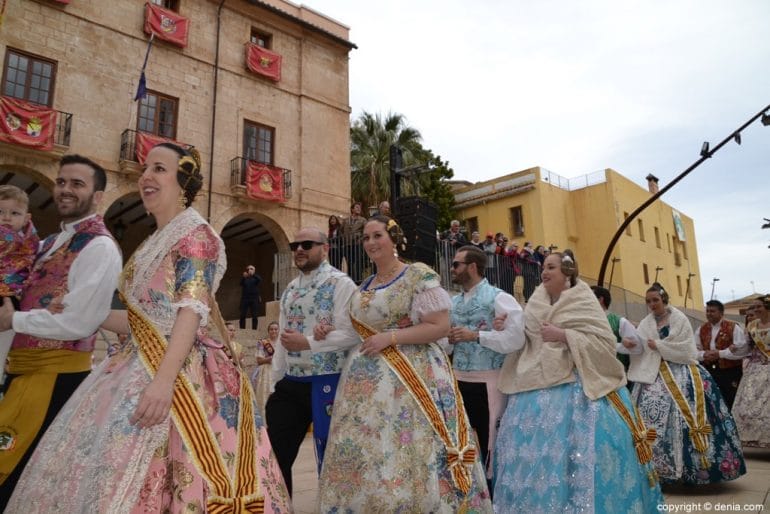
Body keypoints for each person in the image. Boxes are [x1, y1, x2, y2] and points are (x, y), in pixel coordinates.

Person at [5, 143, 291, 512]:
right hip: (134, 360)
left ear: (183, 181)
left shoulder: (196, 235)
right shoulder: (156, 238)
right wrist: (87, 311)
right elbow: (146, 319)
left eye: (159, 169)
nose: (146, 177)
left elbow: (191, 312)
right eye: (145, 169)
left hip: (180, 371)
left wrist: (163, 382)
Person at [319, 216, 492, 512]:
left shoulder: (417, 275)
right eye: (366, 238)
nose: (371, 243)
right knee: (371, 448)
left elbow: (439, 326)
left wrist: (391, 338)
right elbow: (355, 332)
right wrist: (324, 332)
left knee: (410, 445)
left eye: (378, 236)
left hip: (414, 376)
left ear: (394, 238)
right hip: (367, 386)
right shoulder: (365, 285)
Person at [493, 250, 663, 512]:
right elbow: (523, 340)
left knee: (576, 459)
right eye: (543, 268)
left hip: (579, 387)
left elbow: (604, 343)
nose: (544, 272)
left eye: (551, 267)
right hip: (533, 386)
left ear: (568, 272)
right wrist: (505, 327)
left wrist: (563, 334)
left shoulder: (584, 300)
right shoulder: (535, 303)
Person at [0, 155, 121, 509]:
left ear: (98, 195)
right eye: (62, 182)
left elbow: (79, 321)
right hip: (24, 371)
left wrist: (14, 321)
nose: (66, 190)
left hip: (54, 378)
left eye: (78, 184)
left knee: (15, 475)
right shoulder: (50, 242)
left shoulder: (99, 247)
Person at [266, 227, 358, 495]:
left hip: (329, 381)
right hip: (292, 383)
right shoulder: (290, 290)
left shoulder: (341, 284)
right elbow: (283, 341)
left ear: (325, 248)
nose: (299, 250)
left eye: (307, 244)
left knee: (333, 458)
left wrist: (308, 342)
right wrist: (276, 380)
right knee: (275, 454)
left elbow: (352, 334)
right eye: (295, 245)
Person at [629, 282, 746, 485]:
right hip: (654, 374)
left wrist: (659, 345)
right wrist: (629, 345)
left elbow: (686, 348)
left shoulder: (679, 318)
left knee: (691, 415)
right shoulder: (646, 323)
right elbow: (640, 347)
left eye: (655, 300)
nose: (652, 304)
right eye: (648, 301)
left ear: (664, 299)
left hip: (683, 372)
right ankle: (654, 468)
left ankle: (696, 469)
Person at [448, 245, 524, 482]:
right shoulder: (453, 302)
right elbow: (446, 345)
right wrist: (448, 340)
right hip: (457, 380)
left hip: (489, 381)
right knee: (460, 439)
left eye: (456, 264)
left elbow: (517, 338)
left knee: (490, 440)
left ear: (472, 267)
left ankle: (491, 493)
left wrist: (478, 336)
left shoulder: (499, 297)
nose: (451, 269)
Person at [0, 185, 39, 386]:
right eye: (0, 212)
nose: (6, 218)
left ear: (26, 218)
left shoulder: (30, 244)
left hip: (12, 301)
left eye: (14, 213)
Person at [694, 299, 747, 409]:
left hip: (730, 371)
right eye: (707, 311)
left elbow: (741, 349)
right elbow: (694, 350)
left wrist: (720, 354)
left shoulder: (733, 327)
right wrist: (704, 355)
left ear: (721, 313)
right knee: (712, 400)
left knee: (732, 399)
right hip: (709, 371)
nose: (709, 314)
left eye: (712, 311)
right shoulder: (701, 329)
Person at [732, 295, 770, 448]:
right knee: (746, 404)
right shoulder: (752, 325)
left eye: (758, 306)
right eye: (754, 307)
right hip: (754, 370)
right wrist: (735, 348)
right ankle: (749, 437)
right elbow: (747, 346)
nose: (755, 310)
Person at [591, 285, 643, 381]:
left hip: (616, 378)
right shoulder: (585, 322)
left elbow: (638, 347)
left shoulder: (619, 321)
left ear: (600, 299)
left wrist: (615, 346)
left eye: (589, 296)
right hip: (592, 377)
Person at [251, 320, 277, 418]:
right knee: (265, 398)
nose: (273, 331)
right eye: (271, 329)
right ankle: (264, 424)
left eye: (275, 329)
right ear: (268, 331)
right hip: (266, 372)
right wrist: (268, 359)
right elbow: (258, 360)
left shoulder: (281, 343)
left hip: (278, 373)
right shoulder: (262, 343)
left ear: (278, 331)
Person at [341, 202, 365, 282]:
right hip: (347, 245)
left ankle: (359, 280)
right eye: (357, 207)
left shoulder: (363, 220)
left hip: (358, 245)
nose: (359, 209)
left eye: (359, 208)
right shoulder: (346, 220)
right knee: (350, 264)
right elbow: (341, 231)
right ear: (352, 209)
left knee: (358, 263)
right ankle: (351, 280)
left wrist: (360, 238)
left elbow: (366, 231)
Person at [239, 264, 262, 329]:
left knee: (255, 315)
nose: (249, 270)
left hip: (254, 299)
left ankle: (254, 330)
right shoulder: (245, 278)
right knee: (242, 315)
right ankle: (242, 329)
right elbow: (241, 283)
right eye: (248, 269)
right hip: (245, 299)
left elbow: (260, 280)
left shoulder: (256, 278)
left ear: (254, 270)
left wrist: (253, 274)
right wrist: (243, 277)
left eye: (251, 269)